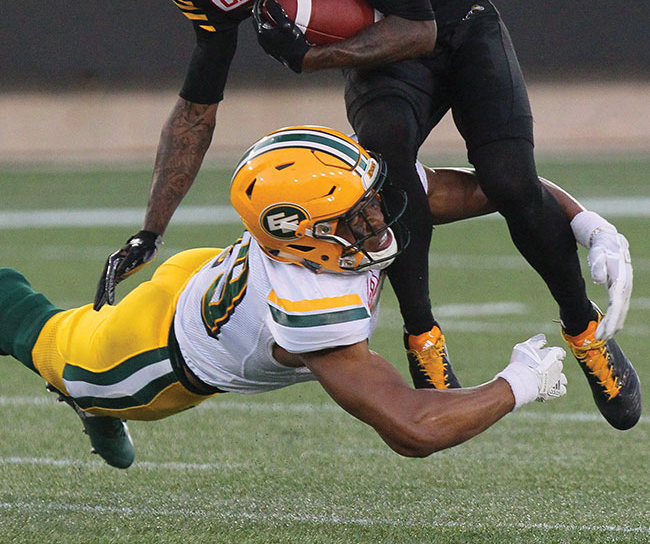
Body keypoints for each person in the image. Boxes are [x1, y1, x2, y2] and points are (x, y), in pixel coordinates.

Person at [95, 0, 640, 425]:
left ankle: (586, 333)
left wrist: (309, 60)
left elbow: (419, 28)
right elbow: (196, 107)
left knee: (510, 178)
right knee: (386, 169)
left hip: (449, 20)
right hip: (380, 59)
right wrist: (150, 229)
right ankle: (422, 339)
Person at [1, 127, 573, 470]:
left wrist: (585, 222)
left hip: (202, 276)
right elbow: (412, 428)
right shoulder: (310, 304)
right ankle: (90, 399)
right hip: (147, 359)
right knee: (32, 324)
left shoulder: (324, 231)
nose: (379, 217)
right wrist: (518, 383)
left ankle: (88, 400)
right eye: (357, 216)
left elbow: (493, 187)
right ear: (305, 232)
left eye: (370, 199)